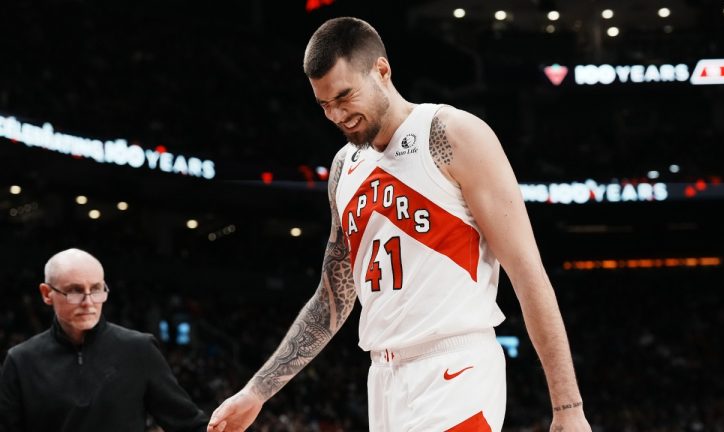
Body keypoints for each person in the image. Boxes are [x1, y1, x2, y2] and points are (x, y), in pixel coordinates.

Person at [208, 17, 591, 432]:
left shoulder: (450, 134)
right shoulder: (345, 167)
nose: (337, 115)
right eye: (324, 105)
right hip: (383, 381)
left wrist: (568, 408)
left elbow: (526, 269)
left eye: (344, 96)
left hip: (454, 369)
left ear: (382, 71)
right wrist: (257, 391)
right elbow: (332, 297)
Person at [0, 248, 209, 432]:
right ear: (47, 294)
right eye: (75, 291)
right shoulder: (21, 360)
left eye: (97, 289)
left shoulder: (139, 349)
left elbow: (188, 425)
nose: (89, 302)